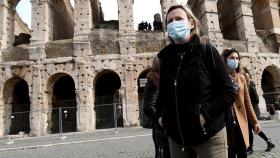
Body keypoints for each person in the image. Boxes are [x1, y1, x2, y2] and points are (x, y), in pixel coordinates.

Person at [156, 5, 236, 158]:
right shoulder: (165, 60)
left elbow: (228, 91)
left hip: (209, 136)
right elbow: (163, 96)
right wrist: (162, 118)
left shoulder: (207, 52)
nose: (174, 23)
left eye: (179, 19)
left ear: (191, 23)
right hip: (177, 140)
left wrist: (204, 115)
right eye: (170, 21)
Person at [221, 48, 261, 158]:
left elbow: (247, 103)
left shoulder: (241, 78)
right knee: (230, 153)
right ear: (225, 59)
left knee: (242, 152)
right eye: (232, 58)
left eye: (237, 58)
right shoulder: (220, 76)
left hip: (240, 122)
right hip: (226, 121)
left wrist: (255, 121)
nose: (235, 60)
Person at [143, 56, 170, 158]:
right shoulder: (153, 80)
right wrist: (159, 119)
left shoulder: (165, 78)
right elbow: (149, 106)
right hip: (161, 127)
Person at [244, 73, 275, 153]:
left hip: (253, 111)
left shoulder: (251, 88)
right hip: (247, 113)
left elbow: (257, 100)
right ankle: (268, 142)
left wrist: (249, 102)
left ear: (248, 79)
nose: (246, 79)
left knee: (253, 129)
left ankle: (251, 148)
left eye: (247, 77)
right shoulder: (245, 88)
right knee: (251, 129)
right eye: (245, 77)